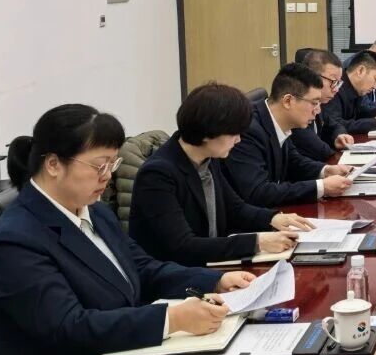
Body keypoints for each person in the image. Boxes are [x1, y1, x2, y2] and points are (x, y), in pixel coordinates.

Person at [0, 104, 255, 355]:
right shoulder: (14, 242)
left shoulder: (94, 212)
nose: (107, 177)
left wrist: (215, 280)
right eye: (99, 166)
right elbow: (69, 328)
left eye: (113, 164)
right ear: (54, 164)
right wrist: (172, 319)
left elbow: (142, 269)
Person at [130, 83, 316, 265]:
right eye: (234, 133)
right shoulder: (157, 175)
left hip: (212, 263)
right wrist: (257, 242)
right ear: (206, 133)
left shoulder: (208, 157)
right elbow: (183, 245)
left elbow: (234, 208)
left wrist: (273, 218)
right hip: (178, 274)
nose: (239, 140)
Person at [225, 62, 354, 209]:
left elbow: (293, 161)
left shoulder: (277, 120)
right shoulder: (248, 130)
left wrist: (325, 170)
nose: (317, 111)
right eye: (314, 103)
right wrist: (321, 187)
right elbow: (258, 192)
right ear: (288, 101)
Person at [291, 48, 356, 163]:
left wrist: (339, 135)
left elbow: (333, 125)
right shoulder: (296, 105)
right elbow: (320, 150)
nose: (336, 89)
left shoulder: (321, 102)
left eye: (338, 83)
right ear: (312, 77)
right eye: (333, 81)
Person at [325, 49, 376, 134]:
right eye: (375, 79)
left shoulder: (357, 90)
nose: (375, 87)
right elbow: (334, 125)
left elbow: (364, 110)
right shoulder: (335, 88)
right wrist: (374, 122)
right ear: (360, 71)